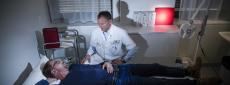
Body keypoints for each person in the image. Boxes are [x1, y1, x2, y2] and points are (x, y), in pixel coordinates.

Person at [40, 58, 201, 85]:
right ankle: (196, 83)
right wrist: (47, 81)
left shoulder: (75, 66)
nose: (61, 61)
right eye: (57, 62)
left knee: (155, 67)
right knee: (158, 82)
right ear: (54, 72)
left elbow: (98, 65)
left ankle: (189, 71)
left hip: (120, 68)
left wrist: (107, 62)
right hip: (118, 82)